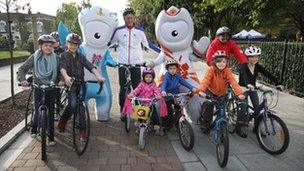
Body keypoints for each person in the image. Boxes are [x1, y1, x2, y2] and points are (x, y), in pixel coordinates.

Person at [108, 8, 153, 120]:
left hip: (136, 64)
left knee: (138, 89)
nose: (129, 20)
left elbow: (148, 45)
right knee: (123, 89)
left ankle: (140, 114)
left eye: (131, 18)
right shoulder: (118, 31)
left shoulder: (140, 31)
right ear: (124, 19)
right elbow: (109, 43)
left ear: (134, 18)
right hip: (122, 64)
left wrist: (164, 52)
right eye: (127, 18)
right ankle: (123, 111)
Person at [58, 33, 104, 139]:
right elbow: (62, 68)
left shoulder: (81, 57)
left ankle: (82, 129)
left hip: (81, 84)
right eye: (71, 44)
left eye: (75, 44)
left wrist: (98, 76)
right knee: (72, 105)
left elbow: (90, 66)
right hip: (70, 85)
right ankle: (63, 121)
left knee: (81, 106)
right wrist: (66, 77)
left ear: (78, 45)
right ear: (67, 44)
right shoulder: (64, 56)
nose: (73, 46)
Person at [18, 34, 60, 146]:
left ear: (53, 47)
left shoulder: (56, 58)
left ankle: (51, 136)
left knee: (51, 112)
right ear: (41, 46)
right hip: (38, 88)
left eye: (50, 46)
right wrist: (23, 80)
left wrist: (61, 81)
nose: (48, 48)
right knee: (37, 110)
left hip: (51, 88)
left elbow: (61, 71)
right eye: (45, 45)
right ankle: (34, 128)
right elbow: (22, 69)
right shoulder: (34, 57)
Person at [198, 50, 247, 138]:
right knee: (209, 108)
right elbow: (206, 80)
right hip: (211, 92)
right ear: (214, 62)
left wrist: (239, 93)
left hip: (222, 94)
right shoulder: (211, 70)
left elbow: (233, 81)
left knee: (222, 112)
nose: (222, 64)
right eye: (219, 61)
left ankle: (222, 130)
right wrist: (201, 90)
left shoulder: (227, 71)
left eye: (224, 61)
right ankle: (206, 124)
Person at [239, 45, 283, 132]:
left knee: (257, 108)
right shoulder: (243, 66)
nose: (254, 59)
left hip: (253, 88)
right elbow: (244, 76)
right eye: (252, 57)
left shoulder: (258, 66)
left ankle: (256, 128)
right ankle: (238, 128)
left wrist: (278, 83)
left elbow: (267, 74)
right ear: (247, 57)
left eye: (256, 56)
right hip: (243, 88)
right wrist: (248, 84)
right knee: (243, 107)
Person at [122, 67, 167, 136]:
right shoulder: (141, 84)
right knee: (140, 113)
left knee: (153, 113)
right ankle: (140, 126)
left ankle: (157, 126)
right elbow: (136, 90)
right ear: (143, 77)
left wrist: (158, 96)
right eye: (146, 77)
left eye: (150, 77)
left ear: (153, 78)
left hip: (150, 102)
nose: (148, 78)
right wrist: (131, 95)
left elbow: (157, 91)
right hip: (141, 102)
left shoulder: (153, 85)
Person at [161, 59, 198, 129]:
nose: (172, 70)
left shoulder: (178, 76)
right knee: (168, 110)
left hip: (176, 95)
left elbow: (184, 83)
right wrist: (163, 91)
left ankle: (178, 122)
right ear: (167, 69)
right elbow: (164, 84)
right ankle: (166, 125)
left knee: (179, 107)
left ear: (177, 69)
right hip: (167, 95)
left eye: (174, 68)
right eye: (170, 69)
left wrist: (192, 88)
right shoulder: (166, 76)